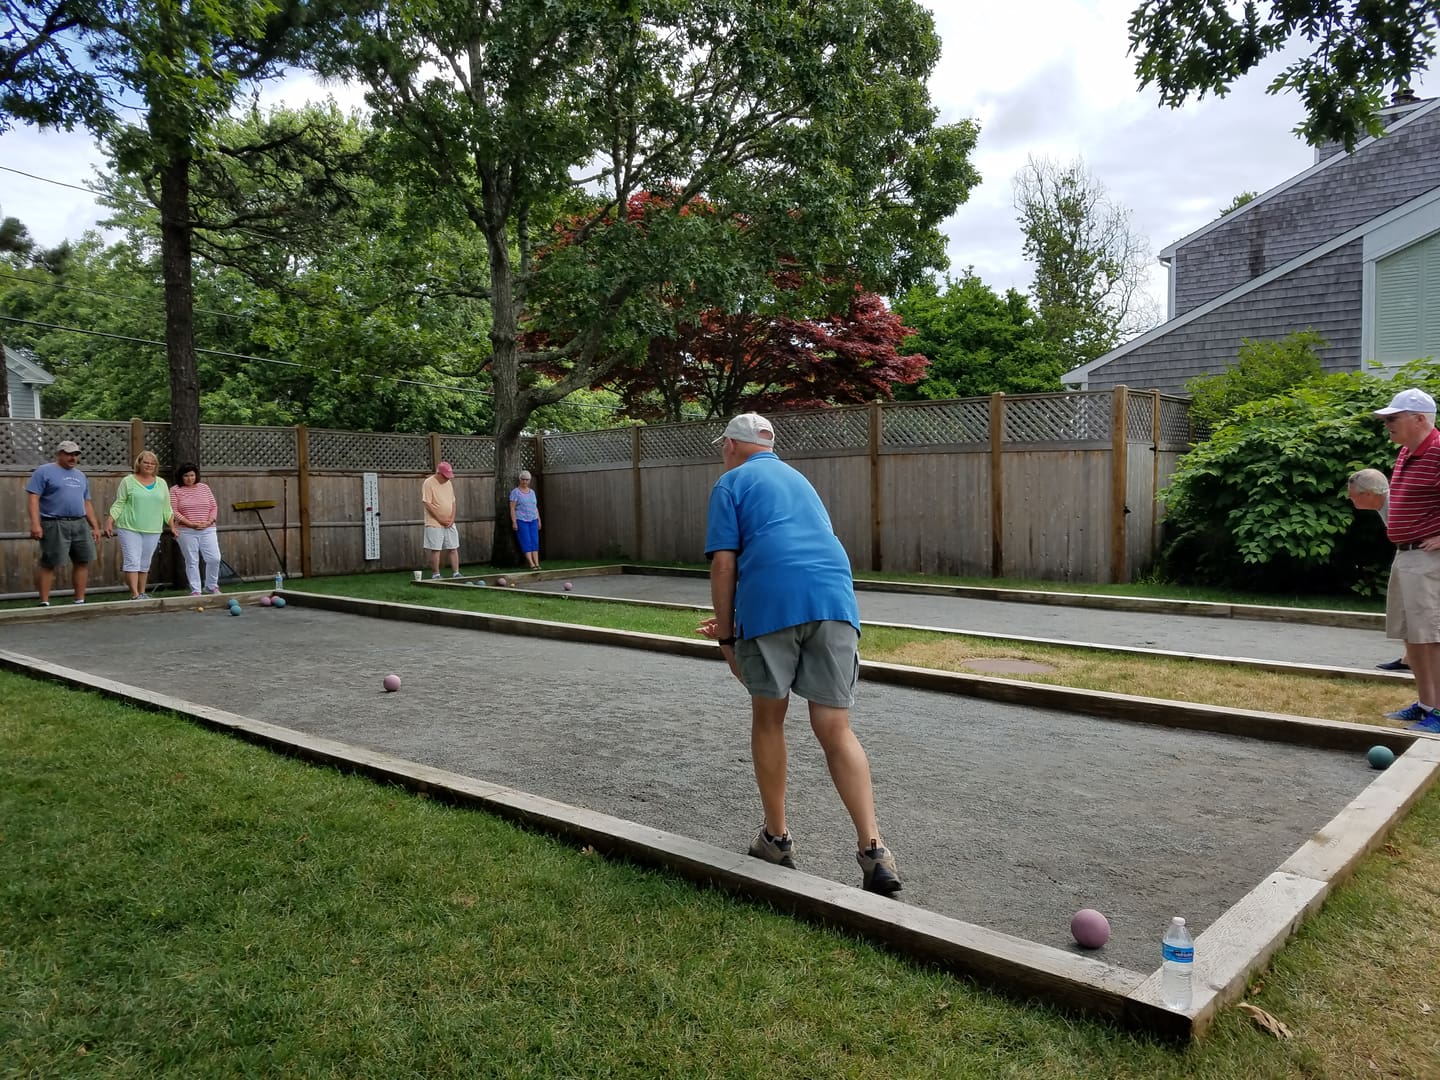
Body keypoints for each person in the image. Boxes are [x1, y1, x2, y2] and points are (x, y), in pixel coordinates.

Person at [696, 412, 901, 896]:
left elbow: (725, 565)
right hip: (834, 601)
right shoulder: (800, 480)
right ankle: (875, 852)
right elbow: (801, 550)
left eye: (723, 445)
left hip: (772, 604)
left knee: (769, 717)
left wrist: (728, 636)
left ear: (731, 445)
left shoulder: (731, 483)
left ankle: (776, 838)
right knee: (835, 727)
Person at [1373, 389, 1440, 733]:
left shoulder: (1438, 451)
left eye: (1393, 418)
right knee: (1414, 637)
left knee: (1430, 636)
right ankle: (1426, 704)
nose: (1387, 425)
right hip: (1407, 554)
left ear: (1419, 419)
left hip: (1430, 559)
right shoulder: (1406, 453)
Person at [1347, 468, 1411, 674]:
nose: (1350, 498)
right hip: (1406, 554)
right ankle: (1409, 659)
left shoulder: (1398, 503)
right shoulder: (1385, 505)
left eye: (1353, 495)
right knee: (1405, 608)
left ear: (1367, 494)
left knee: (1418, 611)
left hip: (1422, 558)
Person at [24, 439, 101, 607]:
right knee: (49, 562)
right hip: (54, 522)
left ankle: (79, 600)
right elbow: (33, 499)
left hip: (79, 523)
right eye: (68, 454)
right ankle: (44, 601)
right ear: (59, 454)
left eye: (75, 454)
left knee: (82, 560)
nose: (73, 458)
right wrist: (35, 524)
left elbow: (86, 503)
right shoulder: (44, 471)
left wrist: (94, 526)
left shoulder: (81, 475)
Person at [105, 450, 177, 600]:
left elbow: (167, 508)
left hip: (152, 528)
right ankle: (135, 594)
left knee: (145, 562)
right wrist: (110, 520)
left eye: (152, 463)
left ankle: (142, 592)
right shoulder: (128, 481)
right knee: (132, 560)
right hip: (129, 527)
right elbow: (119, 503)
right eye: (146, 462)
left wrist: (172, 526)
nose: (149, 465)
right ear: (139, 463)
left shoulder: (162, 483)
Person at [170, 462, 223, 596]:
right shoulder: (175, 490)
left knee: (214, 558)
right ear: (181, 477)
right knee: (192, 560)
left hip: (208, 529)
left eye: (192, 475)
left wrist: (209, 521)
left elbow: (213, 507)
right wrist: (190, 523)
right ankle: (196, 590)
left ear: (196, 475)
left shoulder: (204, 488)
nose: (189, 478)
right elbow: (173, 510)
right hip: (186, 531)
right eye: (186, 475)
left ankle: (211, 586)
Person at [422, 461, 463, 579]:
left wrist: (451, 519)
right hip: (434, 522)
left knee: (453, 547)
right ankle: (436, 574)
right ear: (438, 473)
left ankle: (456, 573)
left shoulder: (448, 483)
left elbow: (453, 502)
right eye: (445, 476)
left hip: (449, 522)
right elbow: (427, 503)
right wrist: (440, 519)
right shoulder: (428, 483)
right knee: (436, 549)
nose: (447, 479)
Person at [510, 469, 542, 570]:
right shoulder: (515, 492)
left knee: (534, 541)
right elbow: (512, 508)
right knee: (526, 541)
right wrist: (514, 521)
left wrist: (539, 520)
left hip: (533, 519)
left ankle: (537, 563)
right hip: (521, 520)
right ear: (520, 480)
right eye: (523, 479)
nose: (525, 482)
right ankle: (531, 563)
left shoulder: (532, 492)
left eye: (527, 480)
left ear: (529, 480)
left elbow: (535, 507)